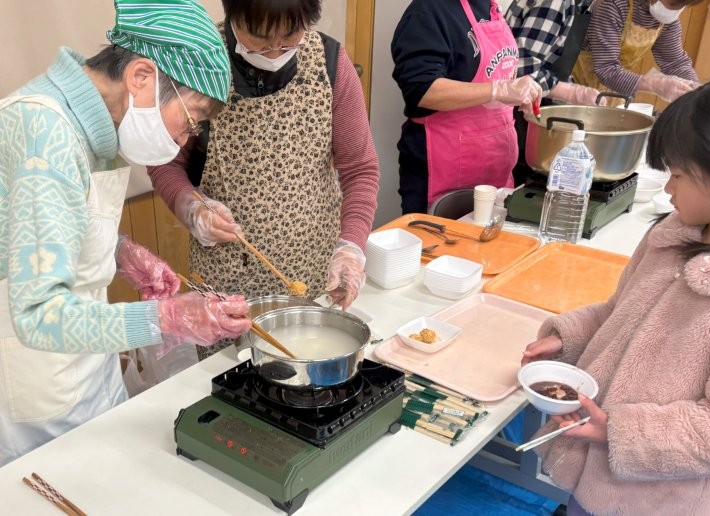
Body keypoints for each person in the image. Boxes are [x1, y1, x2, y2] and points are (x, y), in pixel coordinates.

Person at [520, 71, 710, 515]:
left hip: (663, 502)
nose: (668, 189)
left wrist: (621, 431)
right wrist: (568, 338)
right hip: (597, 482)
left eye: (679, 175)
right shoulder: (674, 236)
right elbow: (621, 311)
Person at [0, 0, 252, 467]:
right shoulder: (44, 131)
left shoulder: (94, 125)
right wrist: (165, 318)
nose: (185, 142)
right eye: (190, 120)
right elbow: (37, 313)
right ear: (140, 76)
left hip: (86, 363)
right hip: (35, 378)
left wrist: (120, 252)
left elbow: (42, 227)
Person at [147, 0, 380, 360]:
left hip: (313, 278)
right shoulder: (195, 64)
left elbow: (360, 168)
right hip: (226, 291)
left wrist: (351, 249)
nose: (275, 51)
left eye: (289, 36)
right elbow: (164, 163)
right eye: (259, 38)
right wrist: (190, 206)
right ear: (232, 15)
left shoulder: (329, 62)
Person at [391, 0, 544, 214]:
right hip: (444, 171)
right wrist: (497, 90)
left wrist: (516, 93)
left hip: (496, 174)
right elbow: (422, 90)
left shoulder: (491, 8)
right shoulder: (427, 12)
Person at [505, 0, 602, 185]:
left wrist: (571, 87)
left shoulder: (581, 5)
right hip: (515, 109)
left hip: (534, 102)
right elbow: (523, 68)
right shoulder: (555, 2)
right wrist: (571, 93)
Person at [572, 0, 701, 103]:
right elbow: (606, 69)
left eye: (682, 4)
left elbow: (675, 62)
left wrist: (696, 90)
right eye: (673, 3)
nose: (674, 10)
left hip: (613, 92)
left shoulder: (668, 20)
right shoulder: (613, 5)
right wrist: (656, 84)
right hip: (573, 89)